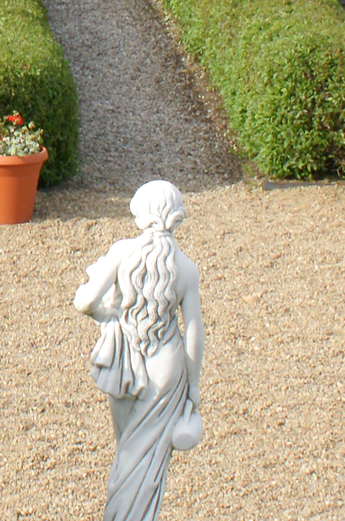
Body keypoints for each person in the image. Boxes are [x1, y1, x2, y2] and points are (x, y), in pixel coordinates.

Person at [74, 180, 205, 521]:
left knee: (127, 451)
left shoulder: (122, 252)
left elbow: (85, 301)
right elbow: (193, 333)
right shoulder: (186, 268)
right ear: (176, 216)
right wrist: (193, 387)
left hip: (123, 360)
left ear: (140, 213)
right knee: (150, 458)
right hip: (167, 366)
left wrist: (107, 314)